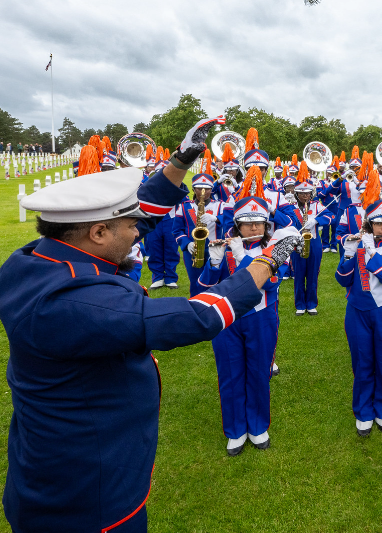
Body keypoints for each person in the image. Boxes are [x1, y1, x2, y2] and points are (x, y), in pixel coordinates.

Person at [0, 117, 292, 532]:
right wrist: (269, 258)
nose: (140, 230)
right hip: (89, 500)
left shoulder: (38, 258)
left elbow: (138, 217)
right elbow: (200, 315)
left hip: (55, 475)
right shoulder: (76, 301)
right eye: (130, 226)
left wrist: (179, 162)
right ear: (98, 232)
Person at [199, 168, 298, 455]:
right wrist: (215, 262)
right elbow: (203, 286)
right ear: (237, 225)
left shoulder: (276, 249)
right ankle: (235, 430)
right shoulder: (226, 246)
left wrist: (243, 258)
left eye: (258, 223)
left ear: (266, 225)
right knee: (230, 373)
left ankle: (257, 426)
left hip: (261, 316)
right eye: (247, 224)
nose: (253, 228)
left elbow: (270, 283)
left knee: (258, 371)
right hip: (227, 318)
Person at [335, 173, 382, 437]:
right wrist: (349, 253)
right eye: (378, 224)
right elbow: (342, 279)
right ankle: (363, 411)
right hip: (357, 310)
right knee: (362, 362)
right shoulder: (357, 244)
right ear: (370, 225)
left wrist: (372, 252)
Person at [289, 162, 336, 315]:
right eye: (302, 194)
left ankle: (311, 303)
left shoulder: (317, 206)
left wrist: (317, 220)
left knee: (313, 273)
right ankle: (300, 304)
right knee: (299, 274)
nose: (305, 196)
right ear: (297, 194)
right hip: (297, 243)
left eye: (308, 193)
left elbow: (332, 217)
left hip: (314, 243)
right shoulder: (291, 207)